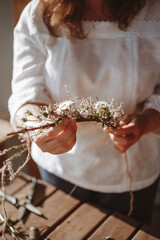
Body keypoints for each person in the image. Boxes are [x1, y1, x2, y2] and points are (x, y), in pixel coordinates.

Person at [9, 0, 160, 224]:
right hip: (61, 168)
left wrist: (147, 120)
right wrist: (36, 125)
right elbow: (25, 89)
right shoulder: (38, 14)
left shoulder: (155, 11)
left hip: (132, 172)